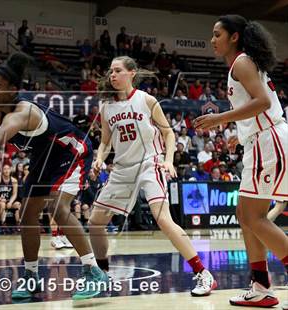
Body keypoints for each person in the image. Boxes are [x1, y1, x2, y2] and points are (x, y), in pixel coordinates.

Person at [0, 53, 108, 300]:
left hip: (71, 150)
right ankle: (31, 275)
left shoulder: (22, 112)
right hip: (42, 157)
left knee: (57, 206)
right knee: (27, 214)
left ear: (13, 90)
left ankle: (94, 271)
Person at [88, 55, 217, 297]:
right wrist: (99, 158)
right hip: (123, 168)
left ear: (131, 73)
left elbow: (169, 134)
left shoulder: (146, 100)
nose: (112, 75)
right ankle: (103, 273)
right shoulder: (107, 107)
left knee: (163, 220)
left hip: (150, 164)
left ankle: (202, 273)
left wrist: (168, 161)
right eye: (110, 72)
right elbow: (105, 142)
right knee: (95, 222)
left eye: (117, 71)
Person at [194, 15, 288, 308]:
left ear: (234, 37)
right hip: (260, 139)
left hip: (268, 141)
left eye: (217, 34)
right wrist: (241, 132)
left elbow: (262, 102)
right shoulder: (242, 64)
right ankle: (260, 285)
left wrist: (218, 119)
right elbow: (258, 106)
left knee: (253, 218)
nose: (212, 40)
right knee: (245, 214)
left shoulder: (242, 62)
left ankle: (262, 284)